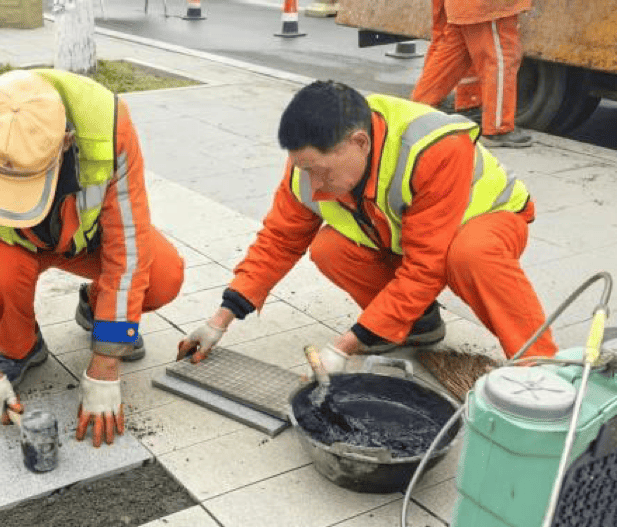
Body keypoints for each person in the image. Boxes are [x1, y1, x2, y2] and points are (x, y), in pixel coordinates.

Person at [177, 80, 556, 372]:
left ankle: (542, 368)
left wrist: (346, 345)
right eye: (302, 169)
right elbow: (278, 240)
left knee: (469, 254)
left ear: (358, 142)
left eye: (319, 171)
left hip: (484, 221)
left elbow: (426, 265)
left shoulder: (432, 148)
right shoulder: (310, 160)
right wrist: (220, 320)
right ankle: (417, 325)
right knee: (330, 249)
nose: (312, 185)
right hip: (403, 234)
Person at [0, 69, 184, 447]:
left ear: (66, 142)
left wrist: (106, 362)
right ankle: (21, 345)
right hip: (9, 248)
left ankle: (96, 309)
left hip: (84, 241)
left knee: (163, 273)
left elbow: (128, 246)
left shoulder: (107, 124)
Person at [410, 0, 533, 148]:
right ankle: (498, 128)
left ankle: (417, 108)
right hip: (489, 7)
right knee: (500, 56)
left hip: (463, 6)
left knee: (454, 53)